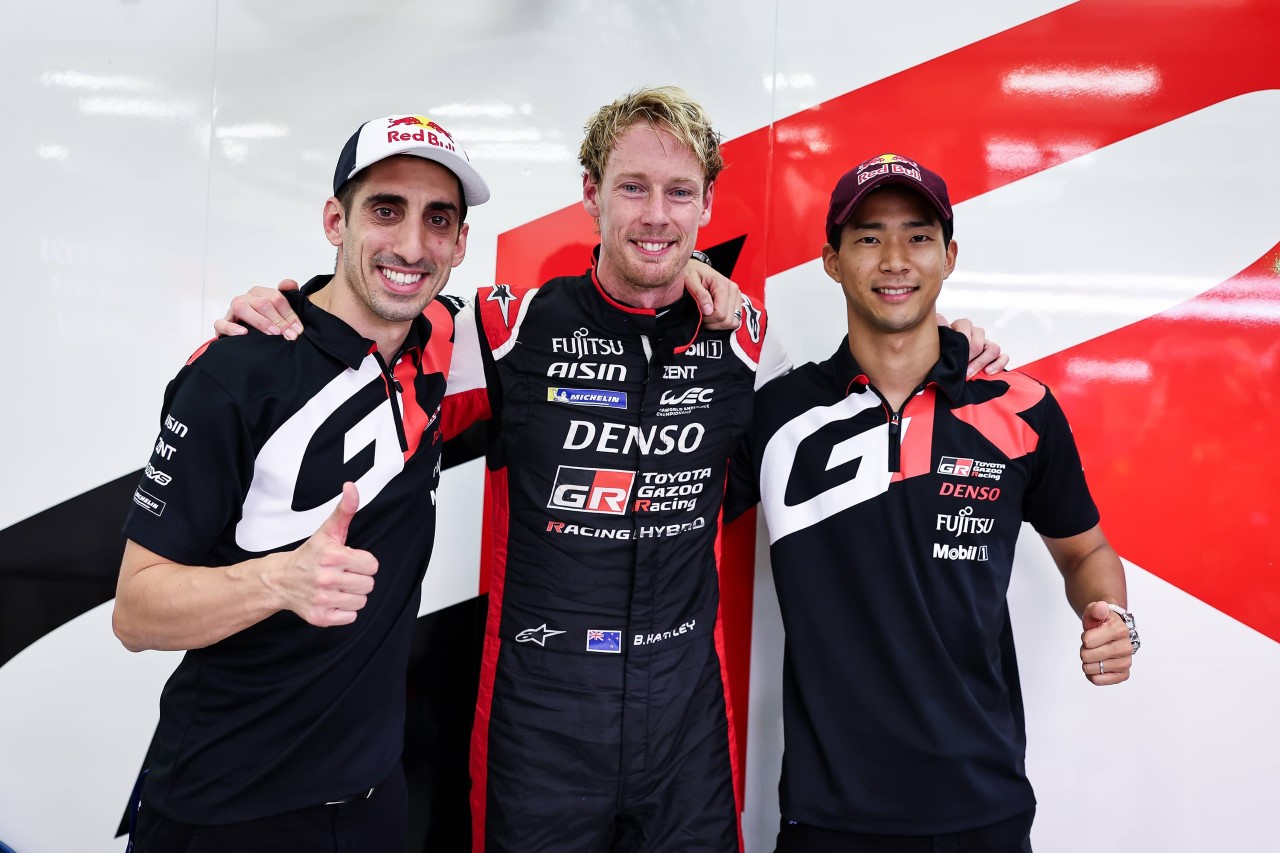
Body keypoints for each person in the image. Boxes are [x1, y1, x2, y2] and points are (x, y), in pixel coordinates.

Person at [217, 90, 1006, 853]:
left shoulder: (746, 341)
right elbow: (365, 340)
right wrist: (284, 313)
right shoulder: (506, 329)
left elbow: (856, 396)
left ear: (706, 204)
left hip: (685, 721)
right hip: (541, 713)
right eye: (632, 187)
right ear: (591, 194)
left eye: (679, 192)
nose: (656, 214)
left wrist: (946, 345)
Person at [730, 153, 1140, 852]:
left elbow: (1086, 551)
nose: (895, 259)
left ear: (948, 257)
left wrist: (1112, 614)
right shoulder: (776, 415)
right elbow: (673, 522)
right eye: (868, 237)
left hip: (984, 806)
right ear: (831, 261)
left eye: (918, 236)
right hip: (829, 814)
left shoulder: (1021, 407)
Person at [112, 113, 487, 851]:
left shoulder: (448, 339)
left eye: (438, 219)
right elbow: (135, 610)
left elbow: (599, 304)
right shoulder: (237, 369)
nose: (413, 246)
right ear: (335, 221)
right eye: (386, 210)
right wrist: (277, 582)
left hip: (374, 803)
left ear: (460, 243)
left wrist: (693, 269)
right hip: (227, 809)